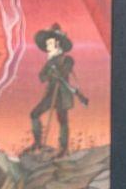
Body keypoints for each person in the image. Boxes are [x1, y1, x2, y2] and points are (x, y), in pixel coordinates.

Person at [28, 24, 89, 156]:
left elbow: (65, 70)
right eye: (47, 43)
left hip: (62, 94)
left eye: (50, 43)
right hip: (50, 94)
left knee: (62, 120)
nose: (47, 46)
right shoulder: (50, 61)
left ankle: (63, 148)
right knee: (34, 114)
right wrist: (50, 74)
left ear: (58, 44)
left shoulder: (67, 59)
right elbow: (41, 76)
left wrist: (57, 73)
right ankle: (37, 143)